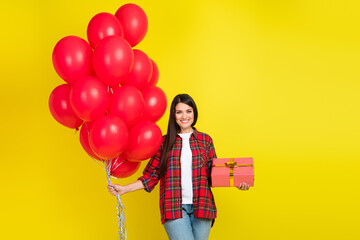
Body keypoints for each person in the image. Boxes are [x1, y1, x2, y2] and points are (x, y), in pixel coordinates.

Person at [108, 94, 250, 240]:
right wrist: (124, 189)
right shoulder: (163, 142)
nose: (184, 116)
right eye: (179, 112)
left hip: (202, 205)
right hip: (173, 206)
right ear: (174, 115)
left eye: (188, 111)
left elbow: (214, 174)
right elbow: (151, 176)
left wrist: (237, 182)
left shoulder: (206, 141)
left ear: (194, 113)